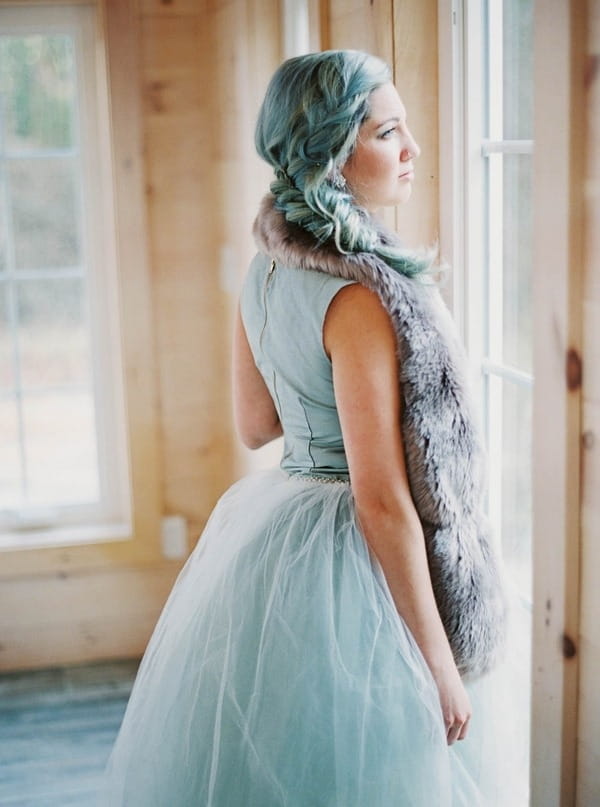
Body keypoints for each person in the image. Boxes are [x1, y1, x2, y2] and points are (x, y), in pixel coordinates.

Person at [103, 50, 527, 806]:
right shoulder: (360, 298)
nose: (413, 150)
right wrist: (438, 658)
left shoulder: (265, 269)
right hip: (354, 565)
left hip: (276, 538)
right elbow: (382, 499)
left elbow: (256, 424)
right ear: (333, 153)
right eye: (389, 132)